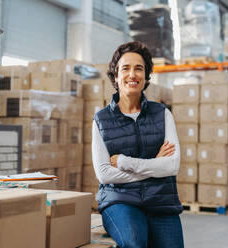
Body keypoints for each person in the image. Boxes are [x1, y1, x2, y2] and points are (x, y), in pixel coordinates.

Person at [91, 41, 184, 248]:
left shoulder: (162, 114)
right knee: (134, 242)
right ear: (116, 76)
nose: (132, 74)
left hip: (160, 200)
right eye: (125, 68)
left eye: (139, 69)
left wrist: (124, 162)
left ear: (146, 76)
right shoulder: (102, 119)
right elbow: (105, 174)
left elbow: (171, 166)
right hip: (119, 200)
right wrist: (154, 166)